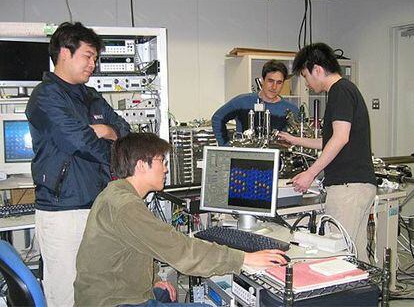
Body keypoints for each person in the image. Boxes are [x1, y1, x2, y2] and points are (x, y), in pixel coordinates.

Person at [74, 132, 287, 306]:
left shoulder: (115, 193)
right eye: (161, 161)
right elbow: (181, 250)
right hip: (114, 303)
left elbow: (133, 249)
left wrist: (155, 279)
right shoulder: (127, 206)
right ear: (141, 165)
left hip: (111, 294)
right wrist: (242, 259)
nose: (166, 168)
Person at [25, 22, 130, 306]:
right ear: (64, 53)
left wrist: (108, 131)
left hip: (98, 206)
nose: (93, 64)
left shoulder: (91, 96)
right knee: (66, 295)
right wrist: (105, 138)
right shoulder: (45, 97)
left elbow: (126, 131)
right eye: (88, 56)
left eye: (95, 58)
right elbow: (81, 142)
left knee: (100, 289)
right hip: (63, 212)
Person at [277, 43, 377, 262]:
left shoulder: (340, 91)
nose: (306, 82)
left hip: (348, 188)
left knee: (339, 255)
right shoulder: (346, 89)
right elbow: (331, 140)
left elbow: (340, 138)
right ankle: (367, 296)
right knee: (355, 254)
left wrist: (310, 173)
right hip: (357, 186)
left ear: (317, 70)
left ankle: (351, 297)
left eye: (305, 75)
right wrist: (295, 140)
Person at [211, 60, 299, 146]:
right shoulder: (243, 102)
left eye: (279, 83)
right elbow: (218, 118)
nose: (274, 87)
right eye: (270, 81)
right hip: (244, 158)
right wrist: (225, 146)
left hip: (276, 158)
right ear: (262, 80)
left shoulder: (291, 110)